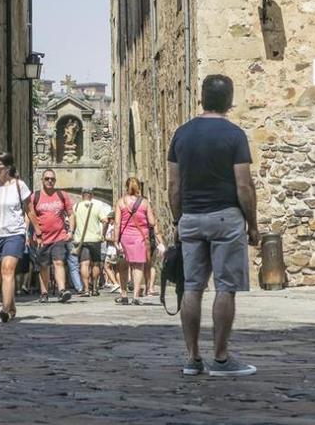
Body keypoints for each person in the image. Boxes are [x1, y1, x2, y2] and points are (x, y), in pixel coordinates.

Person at [168, 74, 259, 377]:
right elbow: (244, 186)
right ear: (229, 101)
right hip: (225, 218)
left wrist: (177, 220)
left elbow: (174, 186)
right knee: (225, 287)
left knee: (191, 287)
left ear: (202, 98)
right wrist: (253, 224)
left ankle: (192, 358)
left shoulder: (181, 135)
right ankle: (221, 358)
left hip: (191, 218)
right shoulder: (234, 135)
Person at [0, 152, 41, 322]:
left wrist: (38, 231)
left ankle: (5, 309)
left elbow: (29, 209)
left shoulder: (20, 186)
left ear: (8, 167)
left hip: (14, 233)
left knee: (7, 269)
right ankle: (11, 307)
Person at [111, 178, 163, 306]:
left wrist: (116, 240)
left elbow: (117, 223)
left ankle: (123, 295)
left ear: (126, 187)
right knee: (138, 266)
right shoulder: (144, 203)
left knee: (123, 265)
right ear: (138, 187)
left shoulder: (121, 202)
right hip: (140, 236)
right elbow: (151, 222)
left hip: (124, 237)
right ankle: (135, 296)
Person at [30, 170, 75, 303]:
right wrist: (27, 233)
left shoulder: (62, 195)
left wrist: (71, 232)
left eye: (52, 179)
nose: (50, 181)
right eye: (47, 179)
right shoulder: (35, 196)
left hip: (59, 236)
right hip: (41, 237)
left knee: (59, 261)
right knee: (43, 266)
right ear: (42, 180)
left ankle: (62, 291)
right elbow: (30, 215)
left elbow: (71, 214)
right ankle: (44, 293)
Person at [70, 187, 110, 297]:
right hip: (95, 239)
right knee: (96, 263)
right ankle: (95, 288)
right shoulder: (97, 206)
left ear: (82, 195)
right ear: (91, 195)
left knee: (84, 263)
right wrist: (103, 234)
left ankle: (86, 289)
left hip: (81, 240)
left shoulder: (76, 207)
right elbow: (105, 221)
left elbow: (72, 221)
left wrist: (72, 233)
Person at [101, 212, 121, 292]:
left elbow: (113, 239)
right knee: (116, 269)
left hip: (112, 250)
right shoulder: (114, 226)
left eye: (110, 219)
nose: (109, 220)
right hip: (114, 250)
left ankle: (116, 284)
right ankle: (120, 286)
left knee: (106, 267)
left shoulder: (113, 227)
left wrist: (105, 238)